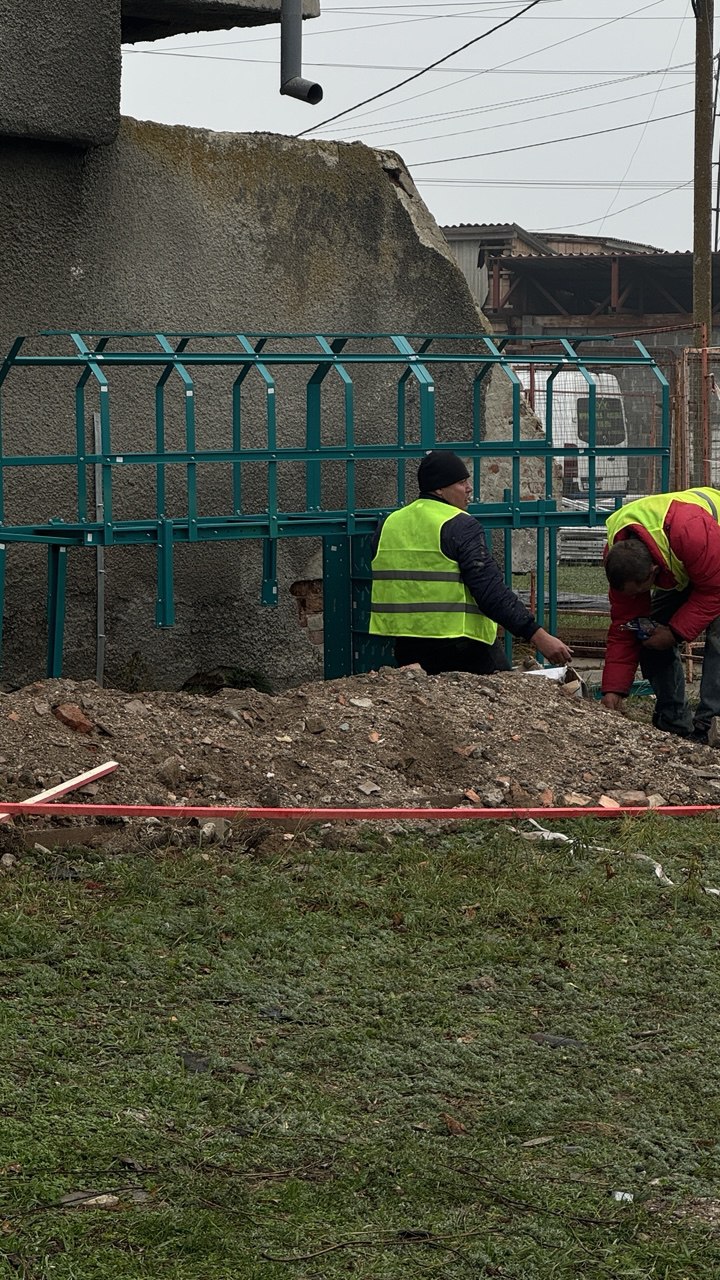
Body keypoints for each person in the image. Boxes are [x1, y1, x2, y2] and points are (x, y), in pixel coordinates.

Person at [369, 449, 573, 675]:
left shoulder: (389, 524)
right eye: (461, 482)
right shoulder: (459, 525)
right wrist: (537, 635)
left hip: (407, 647)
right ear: (439, 488)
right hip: (463, 647)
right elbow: (490, 592)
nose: (469, 488)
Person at [600, 486, 720, 743]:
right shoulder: (618, 556)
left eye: (639, 592)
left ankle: (709, 724)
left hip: (711, 554)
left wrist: (675, 632)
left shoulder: (690, 530)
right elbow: (624, 625)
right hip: (687, 560)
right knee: (646, 631)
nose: (634, 598)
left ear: (653, 572)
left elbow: (714, 591)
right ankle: (673, 723)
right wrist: (613, 689)